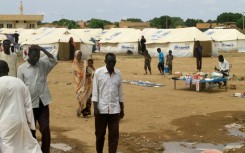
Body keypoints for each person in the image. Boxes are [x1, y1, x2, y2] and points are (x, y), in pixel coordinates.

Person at [17, 45, 58, 153]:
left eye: (38, 56)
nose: (36, 58)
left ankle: (45, 150)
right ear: (28, 55)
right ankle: (33, 150)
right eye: (34, 56)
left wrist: (41, 49)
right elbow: (20, 88)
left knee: (45, 129)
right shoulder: (22, 69)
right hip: (29, 105)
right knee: (31, 130)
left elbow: (53, 59)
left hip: (43, 103)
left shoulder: (43, 65)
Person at [0, 60, 42, 153]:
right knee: (27, 146)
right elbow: (28, 106)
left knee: (8, 148)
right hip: (20, 122)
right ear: (8, 69)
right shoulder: (19, 83)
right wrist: (32, 126)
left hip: (4, 124)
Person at [92, 53, 124, 153]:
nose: (111, 63)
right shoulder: (98, 73)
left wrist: (122, 108)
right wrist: (96, 108)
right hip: (101, 110)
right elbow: (95, 92)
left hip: (115, 110)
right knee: (100, 135)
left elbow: (120, 93)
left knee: (114, 136)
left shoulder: (118, 74)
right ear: (105, 61)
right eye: (109, 61)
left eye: (113, 61)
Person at [72, 50, 94, 117]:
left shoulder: (84, 63)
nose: (79, 57)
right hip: (79, 84)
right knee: (80, 97)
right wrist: (85, 75)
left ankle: (86, 112)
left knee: (88, 97)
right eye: (78, 55)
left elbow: (90, 68)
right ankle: (79, 109)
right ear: (75, 56)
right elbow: (76, 74)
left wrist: (90, 72)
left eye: (80, 55)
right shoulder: (74, 64)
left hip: (87, 83)